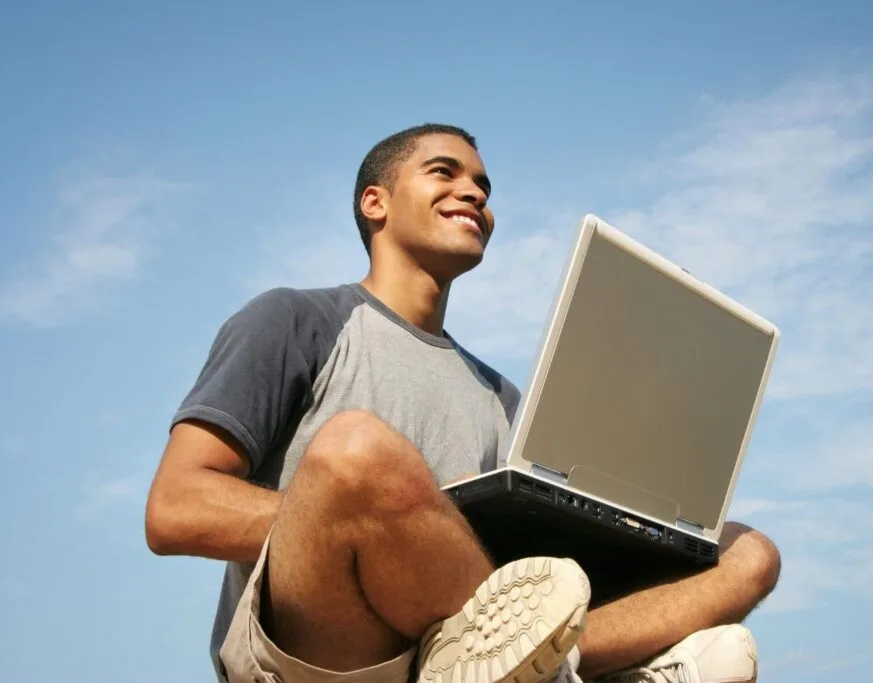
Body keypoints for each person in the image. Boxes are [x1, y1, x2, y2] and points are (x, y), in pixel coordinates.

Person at [144, 123, 781, 683]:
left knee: (748, 552)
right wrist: (390, 523)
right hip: (329, 654)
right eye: (444, 172)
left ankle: (549, 664)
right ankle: (567, 672)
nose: (475, 192)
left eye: (484, 186)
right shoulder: (297, 319)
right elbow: (175, 507)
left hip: (457, 638)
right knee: (356, 453)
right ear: (376, 202)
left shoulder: (501, 397)